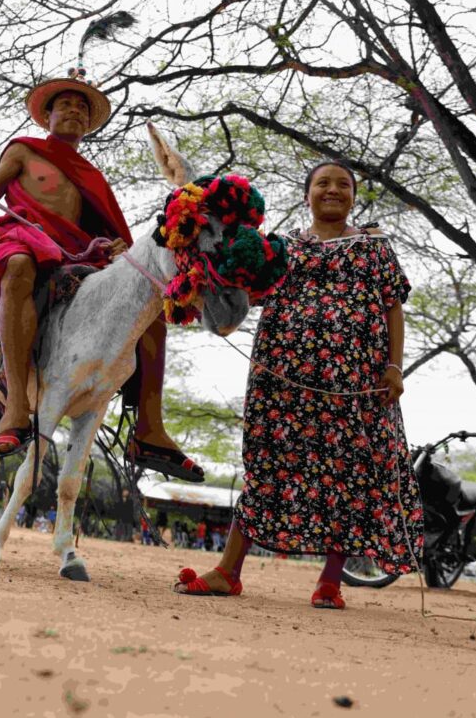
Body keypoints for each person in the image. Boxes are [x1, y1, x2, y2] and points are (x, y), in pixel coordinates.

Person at [0, 74, 202, 482]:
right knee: (17, 267)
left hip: (81, 251)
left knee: (147, 303)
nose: (74, 112)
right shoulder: (23, 151)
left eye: (82, 108)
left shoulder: (92, 175)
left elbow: (110, 230)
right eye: (66, 105)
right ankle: (14, 409)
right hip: (28, 238)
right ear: (48, 115)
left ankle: (149, 428)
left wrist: (116, 247)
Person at [174, 161, 423, 609]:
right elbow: (241, 297)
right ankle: (228, 573)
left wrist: (394, 367)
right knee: (267, 463)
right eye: (322, 183)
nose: (332, 190)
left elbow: (392, 308)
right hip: (281, 378)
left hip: (354, 381)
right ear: (307, 193)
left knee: (347, 471)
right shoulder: (278, 247)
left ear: (354, 195)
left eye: (342, 184)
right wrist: (197, 273)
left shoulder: (375, 248)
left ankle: (330, 582)